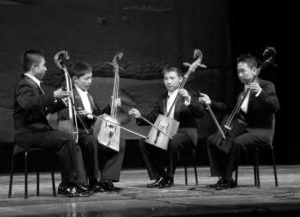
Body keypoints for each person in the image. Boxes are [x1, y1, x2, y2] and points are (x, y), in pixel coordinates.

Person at [199, 53, 280, 190]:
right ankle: (222, 176)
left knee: (236, 142)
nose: (240, 75)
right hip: (245, 128)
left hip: (262, 130)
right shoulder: (241, 91)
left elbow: (275, 107)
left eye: (243, 71)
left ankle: (227, 178)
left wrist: (260, 92)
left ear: (254, 70)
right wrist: (210, 102)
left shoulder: (266, 86)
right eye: (238, 72)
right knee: (213, 140)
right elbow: (229, 108)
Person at [13, 50, 88, 197]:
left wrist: (61, 103)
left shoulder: (33, 85)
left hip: (38, 131)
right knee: (66, 139)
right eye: (44, 65)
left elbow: (41, 108)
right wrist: (53, 95)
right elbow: (29, 104)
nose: (46, 68)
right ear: (34, 67)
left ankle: (77, 182)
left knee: (68, 138)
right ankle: (67, 184)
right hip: (29, 133)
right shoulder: (24, 85)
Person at [129, 66, 205, 188]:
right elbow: (154, 117)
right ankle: (160, 176)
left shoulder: (189, 94)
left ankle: (169, 177)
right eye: (166, 79)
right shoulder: (162, 98)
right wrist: (139, 116)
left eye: (172, 78)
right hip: (167, 132)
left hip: (185, 133)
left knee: (171, 140)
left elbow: (200, 113)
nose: (168, 82)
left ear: (181, 79)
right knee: (144, 141)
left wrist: (188, 100)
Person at [59, 61, 125, 192]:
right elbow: (65, 115)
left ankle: (106, 179)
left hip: (91, 131)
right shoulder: (70, 94)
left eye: (91, 78)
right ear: (75, 79)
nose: (90, 81)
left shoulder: (89, 96)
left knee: (119, 142)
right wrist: (80, 115)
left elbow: (98, 115)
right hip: (78, 131)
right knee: (91, 141)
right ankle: (93, 180)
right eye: (86, 78)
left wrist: (111, 106)